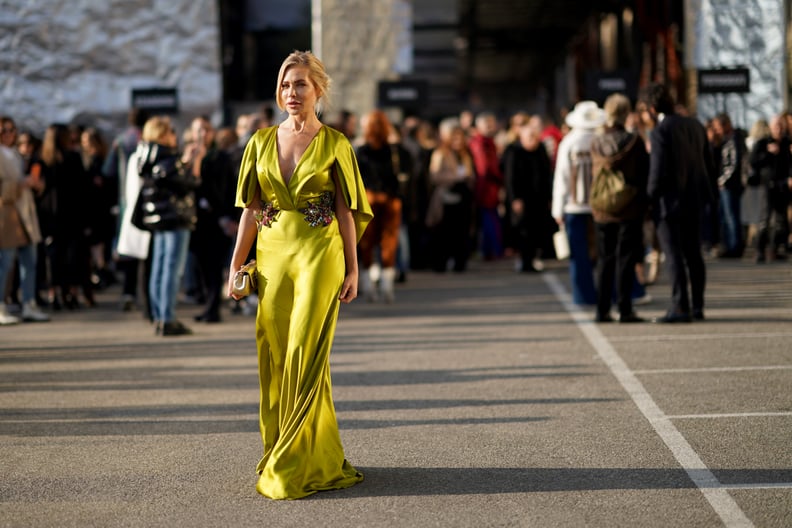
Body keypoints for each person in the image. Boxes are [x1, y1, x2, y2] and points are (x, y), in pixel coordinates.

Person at [226, 51, 372, 500]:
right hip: (272, 255)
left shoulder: (336, 144)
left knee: (305, 350)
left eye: (301, 85)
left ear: (319, 90)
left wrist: (353, 265)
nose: (292, 93)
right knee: (276, 352)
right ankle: (305, 449)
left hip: (319, 251)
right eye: (287, 85)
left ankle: (292, 460)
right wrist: (236, 263)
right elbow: (251, 208)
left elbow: (346, 210)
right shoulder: (260, 141)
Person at [639, 83, 717, 323]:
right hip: (694, 199)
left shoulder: (661, 130)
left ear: (652, 108)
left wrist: (649, 199)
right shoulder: (695, 125)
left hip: (669, 203)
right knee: (693, 255)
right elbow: (708, 164)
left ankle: (680, 305)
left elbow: (657, 171)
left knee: (673, 256)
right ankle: (698, 305)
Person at [119, 116, 198, 336]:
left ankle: (159, 316)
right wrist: (189, 162)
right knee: (171, 270)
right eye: (171, 132)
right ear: (163, 134)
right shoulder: (166, 156)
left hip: (157, 219)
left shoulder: (144, 155)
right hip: (175, 218)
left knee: (159, 267)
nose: (174, 136)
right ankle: (167, 318)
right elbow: (188, 184)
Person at [589, 94, 649, 323]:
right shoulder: (635, 142)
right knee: (626, 259)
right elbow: (644, 173)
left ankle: (602, 309)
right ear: (626, 114)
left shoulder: (596, 143)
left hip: (603, 208)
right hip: (629, 207)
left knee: (605, 260)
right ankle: (625, 308)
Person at [551, 101, 605, 305]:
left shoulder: (569, 142)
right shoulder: (601, 139)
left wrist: (558, 209)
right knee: (603, 253)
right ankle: (610, 293)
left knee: (579, 255)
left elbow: (561, 178)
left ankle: (584, 296)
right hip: (601, 205)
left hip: (574, 206)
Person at [355, 110, 411, 302]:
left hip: (369, 199)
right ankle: (385, 283)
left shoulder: (362, 151)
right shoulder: (395, 150)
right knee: (388, 242)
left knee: (368, 243)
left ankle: (371, 282)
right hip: (390, 199)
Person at [185, 116, 237, 323]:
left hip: (216, 218)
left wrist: (230, 216)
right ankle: (208, 305)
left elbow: (228, 189)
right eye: (198, 130)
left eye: (206, 130)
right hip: (196, 219)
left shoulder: (220, 158)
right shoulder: (188, 155)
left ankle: (213, 308)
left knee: (214, 265)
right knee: (200, 265)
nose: (202, 134)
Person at [0, 117, 48, 324]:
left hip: (26, 214)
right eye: (4, 130)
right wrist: (21, 184)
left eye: (12, 130)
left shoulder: (18, 156)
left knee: (30, 261)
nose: (9, 134)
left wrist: (36, 184)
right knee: (5, 263)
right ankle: (1, 305)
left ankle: (29, 303)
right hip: (7, 215)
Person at [502, 120, 553, 272]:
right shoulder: (514, 152)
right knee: (524, 231)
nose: (533, 139)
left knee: (538, 230)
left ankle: (532, 259)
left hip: (539, 198)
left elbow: (547, 174)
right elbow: (510, 178)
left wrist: (550, 197)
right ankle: (525, 261)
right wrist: (515, 198)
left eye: (534, 136)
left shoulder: (541, 150)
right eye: (529, 137)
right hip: (523, 199)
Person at [425, 117, 475, 272]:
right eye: (454, 136)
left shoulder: (465, 155)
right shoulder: (440, 153)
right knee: (444, 233)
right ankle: (440, 263)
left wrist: (468, 178)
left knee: (461, 232)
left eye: (460, 136)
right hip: (446, 198)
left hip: (463, 197)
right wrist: (455, 177)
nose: (458, 140)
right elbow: (434, 176)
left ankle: (460, 262)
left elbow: (471, 173)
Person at [750, 114, 791, 263]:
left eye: (781, 126)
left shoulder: (787, 143)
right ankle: (760, 250)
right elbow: (753, 162)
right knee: (764, 220)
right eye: (776, 126)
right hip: (766, 186)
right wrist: (768, 153)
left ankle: (775, 249)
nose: (779, 129)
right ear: (771, 128)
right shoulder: (763, 142)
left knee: (780, 220)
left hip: (782, 185)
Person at [468, 112, 504, 260]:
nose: (490, 127)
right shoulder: (480, 143)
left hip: (490, 188)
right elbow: (485, 168)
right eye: (487, 124)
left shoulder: (488, 142)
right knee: (489, 219)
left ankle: (489, 250)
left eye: (491, 123)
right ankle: (493, 249)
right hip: (486, 188)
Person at [712, 113, 746, 258]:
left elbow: (733, 164)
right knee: (726, 216)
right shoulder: (726, 139)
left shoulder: (734, 139)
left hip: (730, 185)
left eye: (718, 127)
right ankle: (729, 245)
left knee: (731, 216)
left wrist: (723, 180)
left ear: (725, 125)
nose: (717, 131)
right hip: (726, 184)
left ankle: (734, 246)